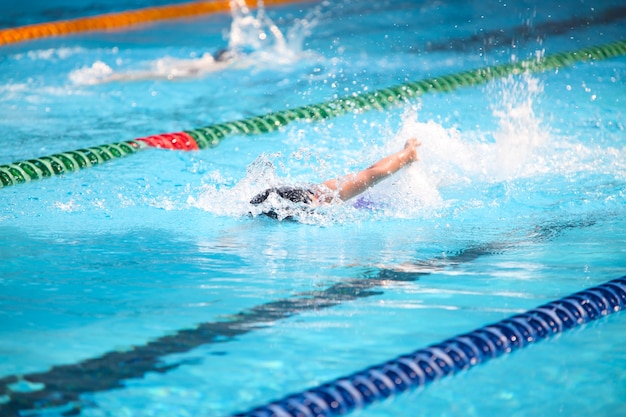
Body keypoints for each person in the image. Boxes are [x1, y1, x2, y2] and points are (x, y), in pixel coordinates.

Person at [250, 138, 421, 218]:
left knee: (370, 175)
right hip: (290, 197)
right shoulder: (260, 208)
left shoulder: (325, 196)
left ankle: (409, 153)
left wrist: (408, 152)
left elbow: (374, 172)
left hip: (307, 193)